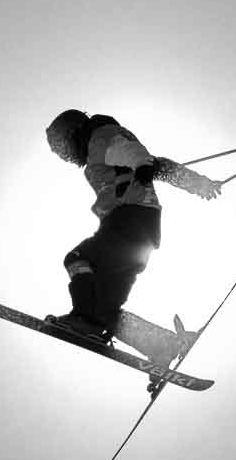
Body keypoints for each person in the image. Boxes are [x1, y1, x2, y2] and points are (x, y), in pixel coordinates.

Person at [44, 109, 221, 367]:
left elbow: (130, 152)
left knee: (78, 259)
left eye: (61, 147)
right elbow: (161, 166)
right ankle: (163, 345)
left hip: (128, 219)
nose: (65, 155)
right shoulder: (104, 145)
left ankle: (83, 320)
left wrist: (142, 164)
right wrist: (197, 183)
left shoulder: (100, 137)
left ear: (73, 133)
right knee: (105, 307)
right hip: (141, 230)